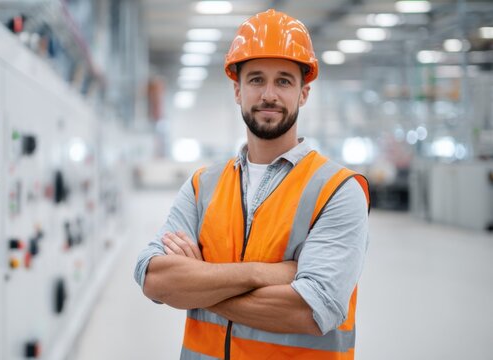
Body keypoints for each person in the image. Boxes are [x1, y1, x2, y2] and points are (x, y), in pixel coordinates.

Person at [134, 9, 370, 360]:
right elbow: (154, 279)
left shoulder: (338, 190)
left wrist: (198, 282)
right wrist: (266, 273)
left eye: (284, 81)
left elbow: (310, 310)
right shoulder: (203, 185)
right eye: (257, 79)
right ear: (237, 90)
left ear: (304, 93)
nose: (269, 94)